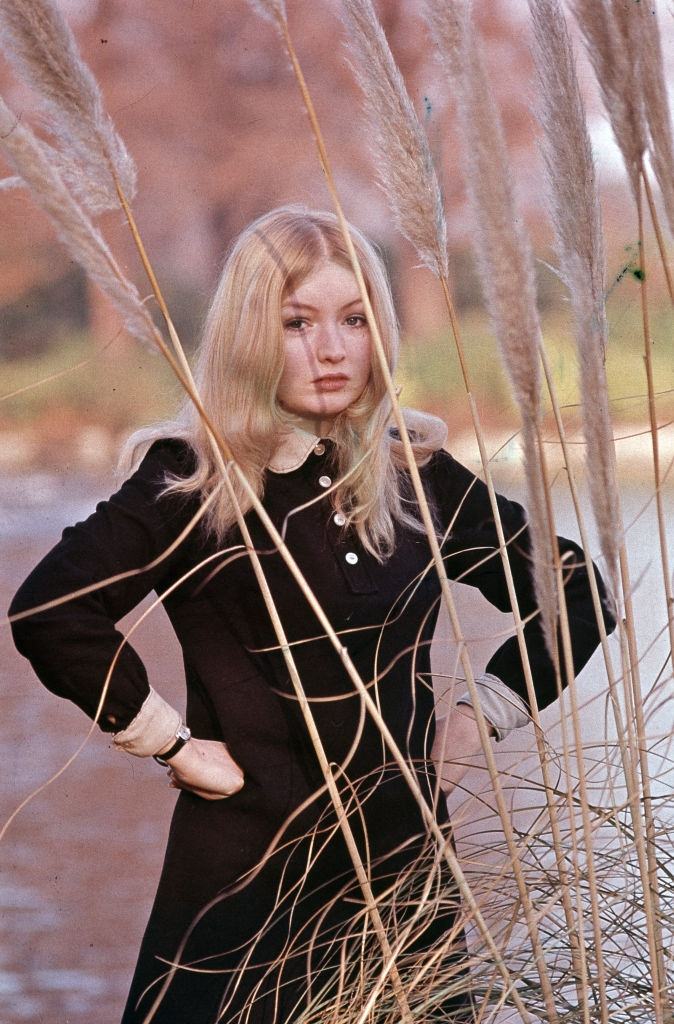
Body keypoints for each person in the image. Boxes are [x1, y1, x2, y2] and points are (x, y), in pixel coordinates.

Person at [9, 205, 616, 1024]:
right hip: (239, 899)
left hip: (402, 892)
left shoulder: (417, 475)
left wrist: (480, 716)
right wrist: (170, 744)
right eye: (297, 322)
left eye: (355, 319)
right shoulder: (195, 479)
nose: (331, 349)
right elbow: (52, 611)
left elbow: (580, 591)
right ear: (252, 331)